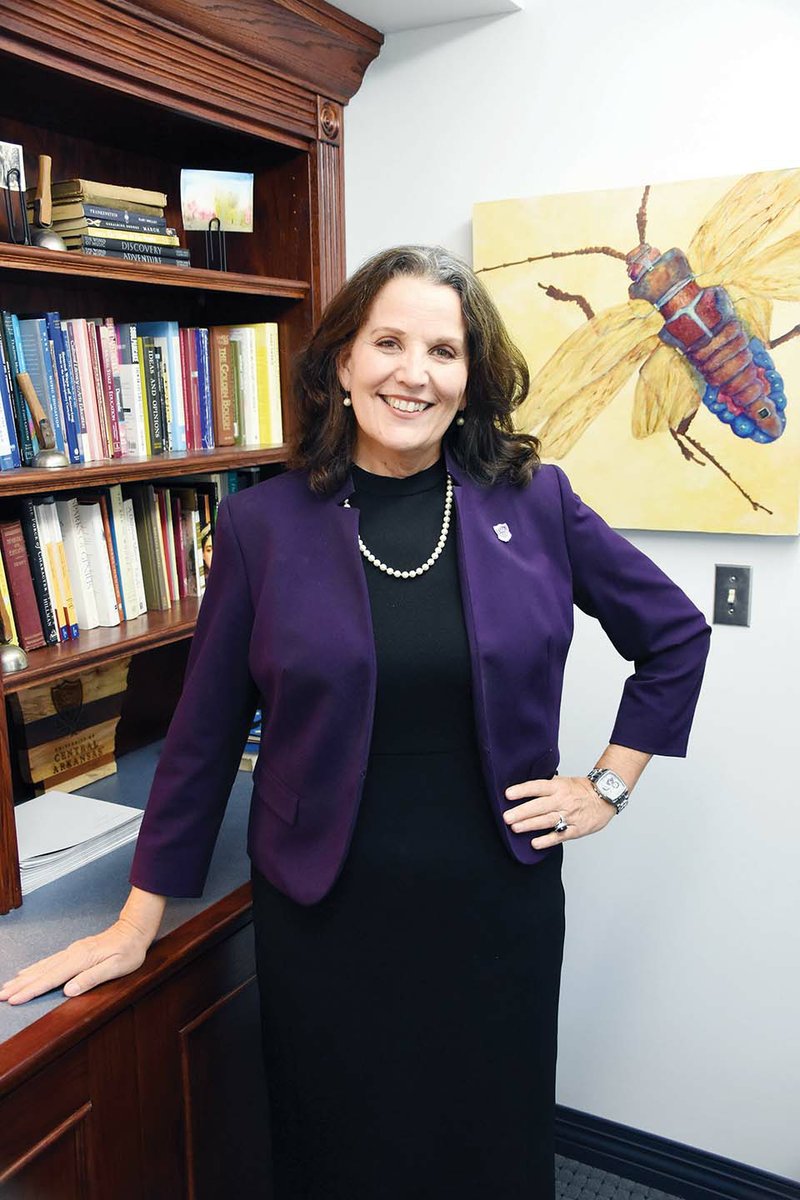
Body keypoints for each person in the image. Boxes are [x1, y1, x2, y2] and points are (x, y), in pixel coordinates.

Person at [0, 246, 711, 1199]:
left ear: (471, 376)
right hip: (327, 912)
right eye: (388, 342)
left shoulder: (532, 502)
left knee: (488, 1151)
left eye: (444, 351)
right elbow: (205, 737)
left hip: (495, 904)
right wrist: (139, 918)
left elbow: (674, 635)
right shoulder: (264, 525)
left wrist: (609, 784)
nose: (414, 372)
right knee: (341, 1154)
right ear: (341, 361)